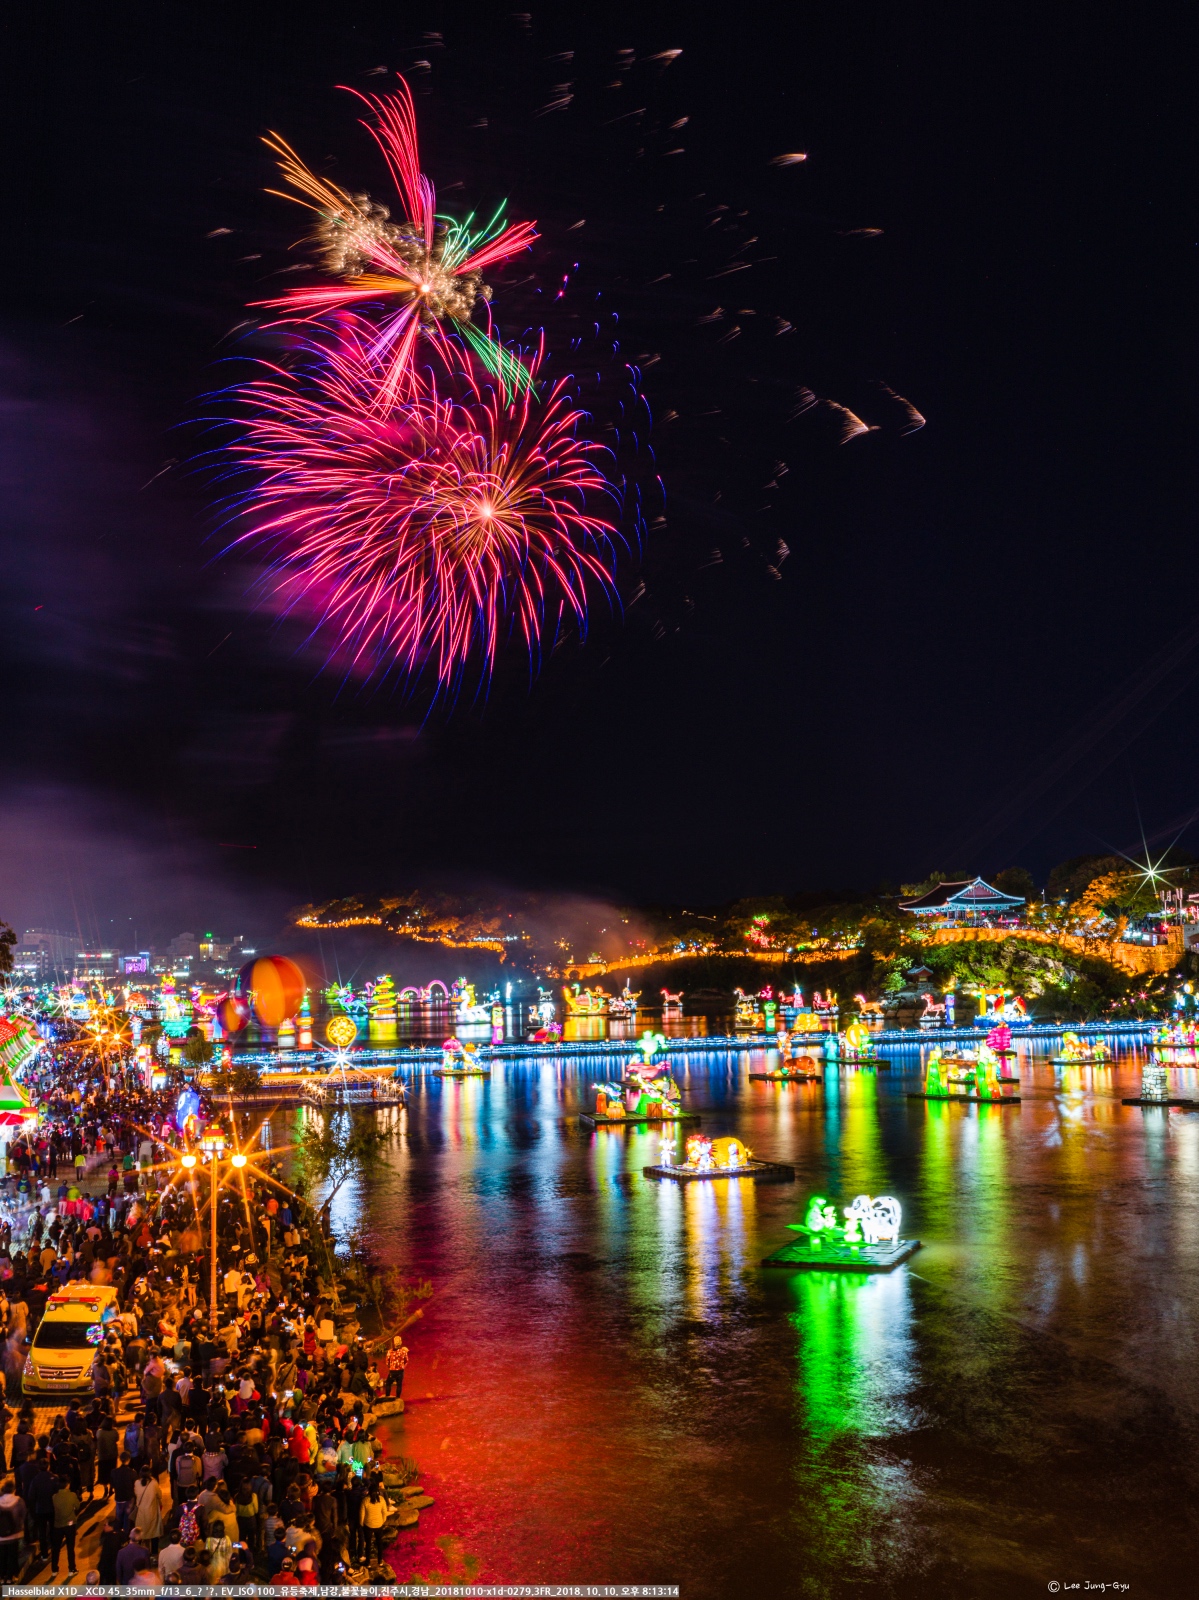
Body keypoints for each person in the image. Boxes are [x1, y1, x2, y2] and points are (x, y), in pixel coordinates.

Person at [50, 1474, 81, 1578]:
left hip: (58, 1525)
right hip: (70, 1524)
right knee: (70, 1548)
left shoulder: (54, 1497)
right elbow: (77, 1506)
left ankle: (54, 1569)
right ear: (68, 1484)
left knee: (56, 1548)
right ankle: (71, 1569)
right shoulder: (72, 1495)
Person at [358, 1483, 392, 1566]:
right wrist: (382, 1521)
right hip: (379, 1524)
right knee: (379, 1543)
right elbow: (384, 1513)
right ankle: (380, 1561)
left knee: (368, 1544)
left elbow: (362, 1514)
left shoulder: (365, 1500)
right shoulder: (381, 1500)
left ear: (369, 1491)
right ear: (377, 1491)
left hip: (368, 1525)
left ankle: (368, 1562)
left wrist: (362, 1524)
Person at [0, 1477, 26, 1580]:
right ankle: (11, 1576)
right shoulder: (18, 1500)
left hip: (1, 1535)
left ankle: (2, 1576)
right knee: (13, 1555)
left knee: (2, 1555)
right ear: (13, 1489)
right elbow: (23, 1515)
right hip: (15, 1533)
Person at [132, 1467, 163, 1553]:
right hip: (152, 1512)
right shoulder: (154, 1483)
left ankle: (139, 1551)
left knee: (140, 1532)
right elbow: (159, 1495)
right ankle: (154, 1553)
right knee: (153, 1533)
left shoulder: (137, 1483)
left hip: (141, 1513)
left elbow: (136, 1493)